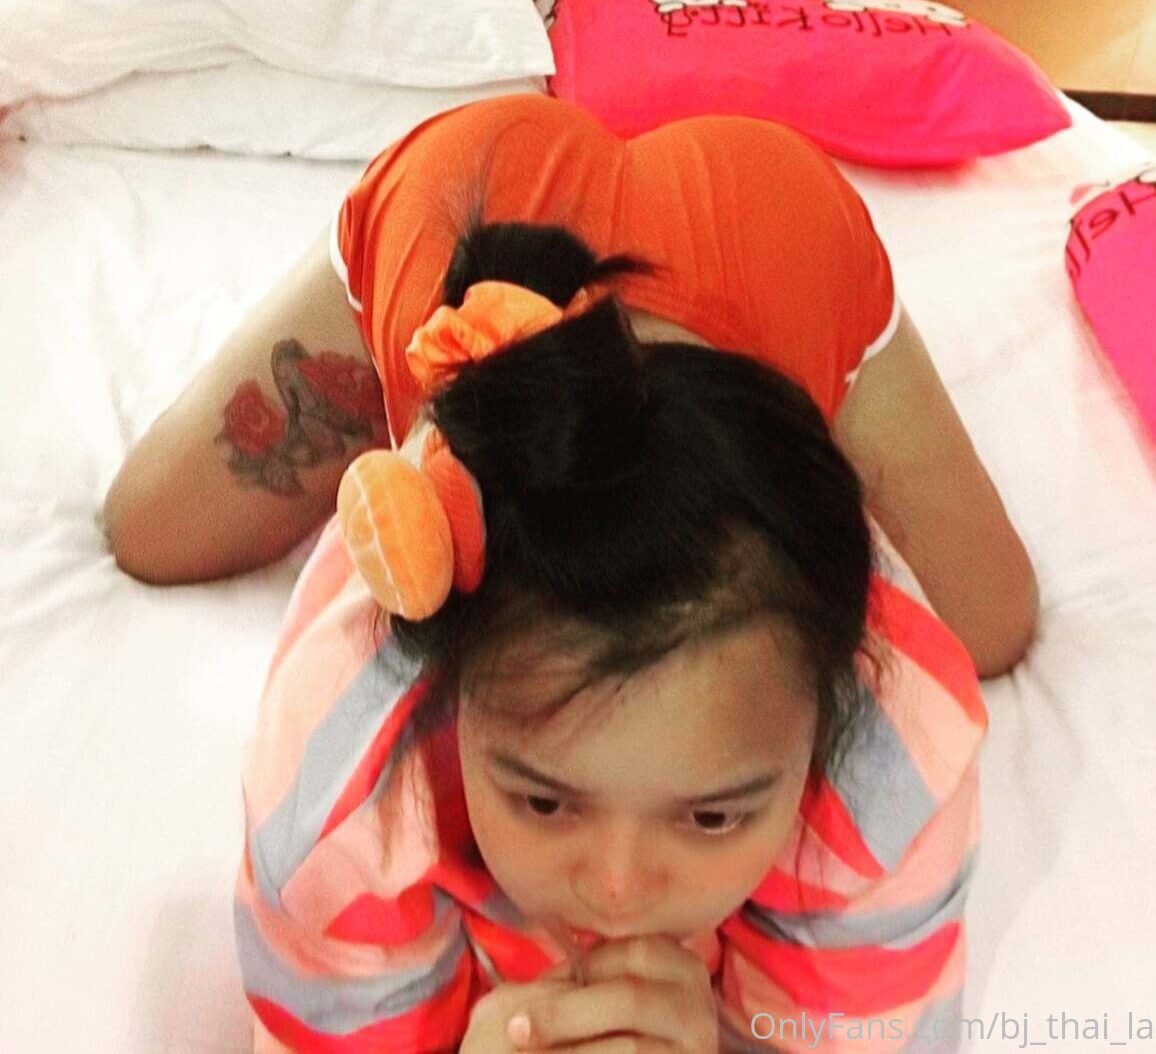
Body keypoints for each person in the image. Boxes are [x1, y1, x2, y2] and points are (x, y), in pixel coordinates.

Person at [103, 93, 1037, 1050]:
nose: (618, 890)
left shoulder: (894, 754)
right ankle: (400, 290)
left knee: (998, 622)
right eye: (544, 801)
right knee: (148, 531)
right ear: (449, 681)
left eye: (714, 815)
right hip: (464, 189)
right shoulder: (341, 773)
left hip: (771, 228)